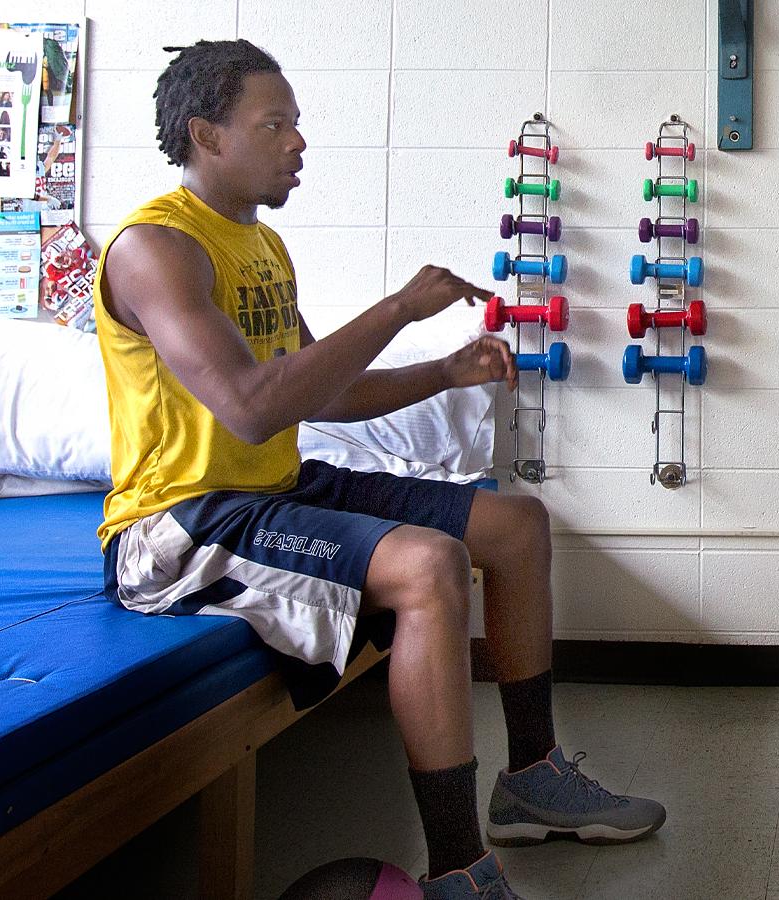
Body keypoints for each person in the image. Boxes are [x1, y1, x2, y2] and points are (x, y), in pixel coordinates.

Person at [94, 40, 664, 900]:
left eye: (298, 122)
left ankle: (532, 779)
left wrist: (444, 371)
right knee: (427, 566)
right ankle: (460, 870)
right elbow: (251, 403)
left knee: (514, 526)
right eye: (274, 123)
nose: (298, 142)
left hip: (269, 489)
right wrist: (398, 308)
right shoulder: (156, 249)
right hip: (178, 526)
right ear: (206, 134)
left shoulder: (263, 248)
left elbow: (320, 392)